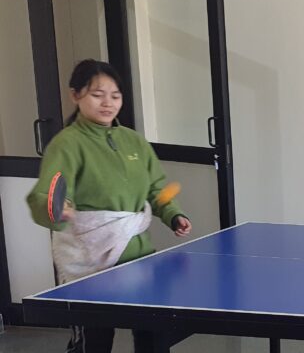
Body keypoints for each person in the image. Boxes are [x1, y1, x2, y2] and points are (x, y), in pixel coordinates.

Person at [25, 59, 192, 353]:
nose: (108, 103)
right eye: (97, 94)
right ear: (75, 95)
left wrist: (173, 214)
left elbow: (156, 188)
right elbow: (45, 195)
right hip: (89, 263)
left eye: (115, 96)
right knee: (95, 342)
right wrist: (56, 210)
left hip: (137, 256)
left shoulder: (134, 141)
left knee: (152, 335)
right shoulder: (67, 144)